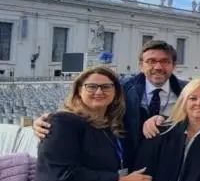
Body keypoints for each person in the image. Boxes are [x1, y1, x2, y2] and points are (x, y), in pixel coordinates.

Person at [33, 40, 187, 169]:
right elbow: (86, 105)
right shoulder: (121, 87)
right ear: (141, 65)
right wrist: (47, 121)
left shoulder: (189, 91)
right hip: (129, 167)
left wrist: (164, 119)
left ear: (174, 65)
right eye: (151, 61)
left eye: (165, 61)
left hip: (172, 165)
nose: (158, 67)